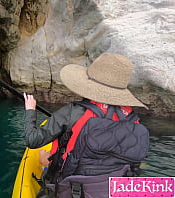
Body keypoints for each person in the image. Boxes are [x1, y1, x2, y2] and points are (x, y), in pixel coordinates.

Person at [23, 53, 149, 198]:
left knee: (44, 159)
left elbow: (32, 140)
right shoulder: (133, 119)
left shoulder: (74, 112)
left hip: (71, 188)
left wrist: (30, 110)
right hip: (110, 189)